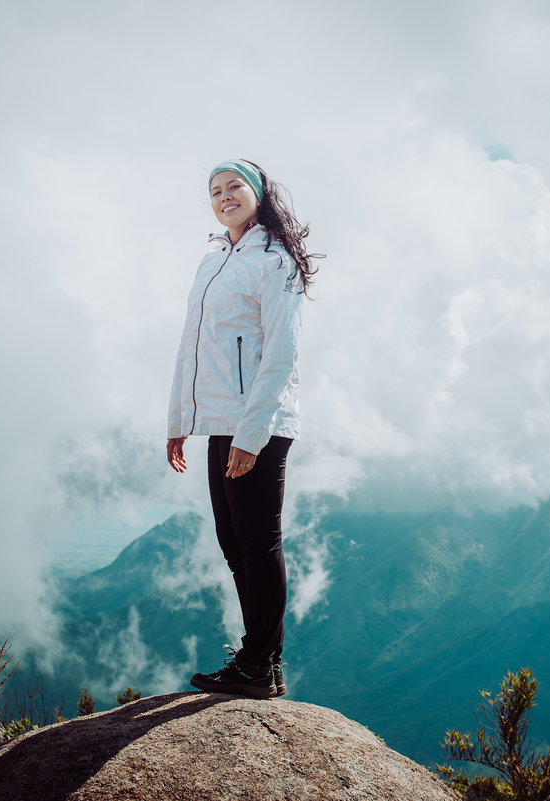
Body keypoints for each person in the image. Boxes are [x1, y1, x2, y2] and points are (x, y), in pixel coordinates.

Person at [166, 159, 321, 699]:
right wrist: (178, 421)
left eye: (235, 186)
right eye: (215, 191)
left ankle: (258, 663)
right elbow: (191, 346)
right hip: (219, 422)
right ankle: (262, 660)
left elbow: (281, 354)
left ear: (258, 194)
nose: (224, 196)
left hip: (260, 423)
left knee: (257, 541)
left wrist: (251, 436)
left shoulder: (275, 261)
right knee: (234, 542)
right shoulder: (213, 260)